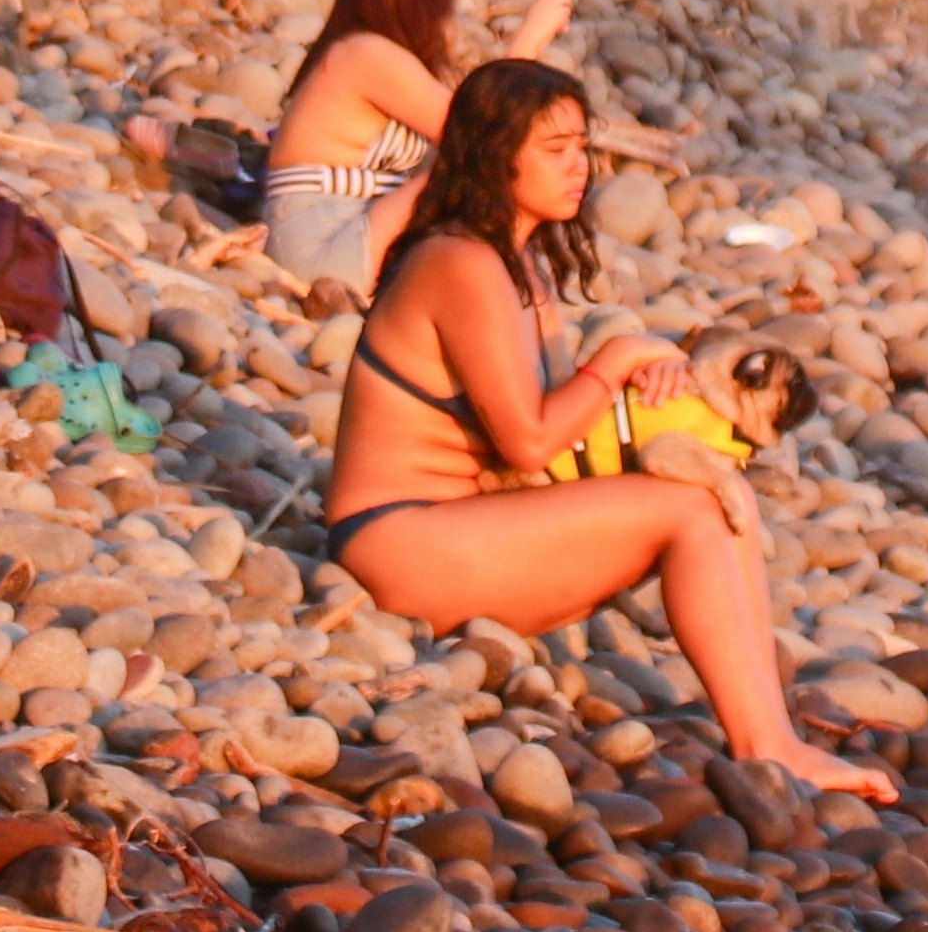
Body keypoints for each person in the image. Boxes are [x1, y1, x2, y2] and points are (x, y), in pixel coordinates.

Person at [318, 56, 885, 801]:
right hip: (398, 540)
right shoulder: (458, 262)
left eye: (583, 148)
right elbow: (528, 442)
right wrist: (616, 359)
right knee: (689, 508)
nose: (578, 168)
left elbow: (556, 419)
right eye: (555, 152)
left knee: (705, 493)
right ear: (496, 154)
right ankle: (768, 743)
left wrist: (645, 391)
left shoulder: (522, 267)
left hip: (465, 522)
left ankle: (771, 728)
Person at [258, 0, 567, 290]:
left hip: (344, 231)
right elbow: (478, 130)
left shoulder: (374, 52)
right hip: (322, 247)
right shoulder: (366, 54)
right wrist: (529, 40)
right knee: (469, 164)